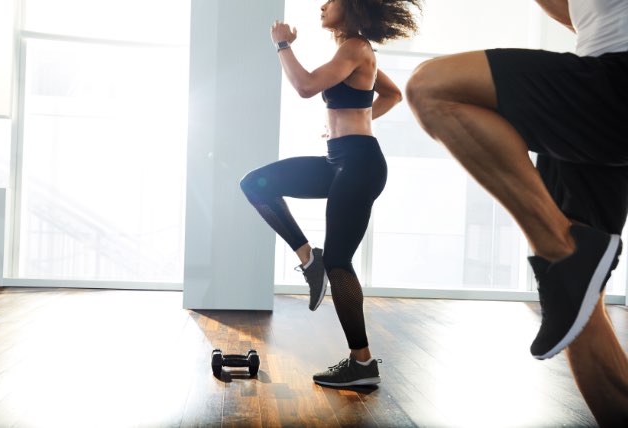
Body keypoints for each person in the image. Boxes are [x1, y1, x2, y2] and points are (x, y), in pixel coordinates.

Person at [406, 0, 628, 424]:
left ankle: (561, 251)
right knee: (577, 308)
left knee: (431, 87)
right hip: (594, 91)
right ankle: (567, 260)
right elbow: (574, 12)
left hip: (615, 83)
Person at [240, 0, 420, 387]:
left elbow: (305, 87)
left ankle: (363, 363)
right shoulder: (352, 52)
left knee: (340, 261)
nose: (322, 5)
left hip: (360, 164)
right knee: (256, 184)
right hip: (339, 160)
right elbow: (389, 94)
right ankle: (309, 261)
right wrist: (356, 123)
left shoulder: (356, 47)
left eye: (331, 0)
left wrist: (282, 45)